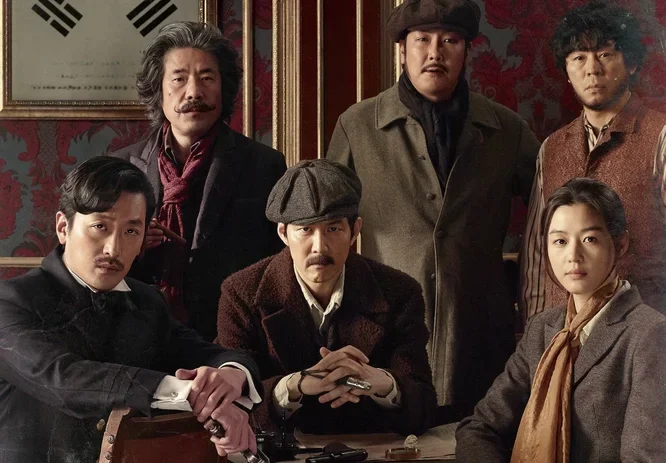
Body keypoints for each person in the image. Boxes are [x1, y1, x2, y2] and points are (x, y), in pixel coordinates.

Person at [326, 0, 539, 419]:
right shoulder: (358, 125)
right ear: (402, 50)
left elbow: (555, 217)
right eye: (422, 39)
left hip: (480, 335)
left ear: (467, 50)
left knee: (477, 440)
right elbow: (325, 224)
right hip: (388, 338)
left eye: (450, 41)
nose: (435, 53)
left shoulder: (507, 130)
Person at [0, 157, 264, 463]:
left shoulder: (146, 302)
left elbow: (212, 354)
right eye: (100, 226)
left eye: (130, 231)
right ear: (63, 227)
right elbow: (60, 377)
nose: (113, 249)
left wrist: (230, 377)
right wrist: (192, 395)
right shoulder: (11, 300)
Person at [216, 159, 437, 435]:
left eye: (333, 229)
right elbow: (231, 408)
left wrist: (384, 384)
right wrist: (293, 386)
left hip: (373, 447)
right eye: (305, 230)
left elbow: (424, 406)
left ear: (355, 231)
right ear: (283, 233)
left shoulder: (400, 292)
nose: (319, 247)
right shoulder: (240, 293)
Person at [456, 178, 666, 462]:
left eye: (590, 239)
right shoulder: (543, 329)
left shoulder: (650, 334)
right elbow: (479, 428)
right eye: (560, 241)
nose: (573, 256)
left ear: (620, 244)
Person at [111, 21, 286, 341]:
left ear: (224, 89)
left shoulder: (264, 165)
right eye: (179, 79)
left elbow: (277, 269)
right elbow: (89, 263)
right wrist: (130, 243)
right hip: (136, 336)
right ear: (158, 91)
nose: (194, 92)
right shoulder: (119, 168)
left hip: (230, 338)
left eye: (207, 78)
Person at [521, 1, 666, 321]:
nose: (592, 69)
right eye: (579, 58)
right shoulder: (552, 148)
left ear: (631, 64)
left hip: (644, 332)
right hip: (564, 333)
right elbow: (537, 258)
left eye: (605, 54)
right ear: (567, 72)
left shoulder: (660, 136)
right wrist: (539, 330)